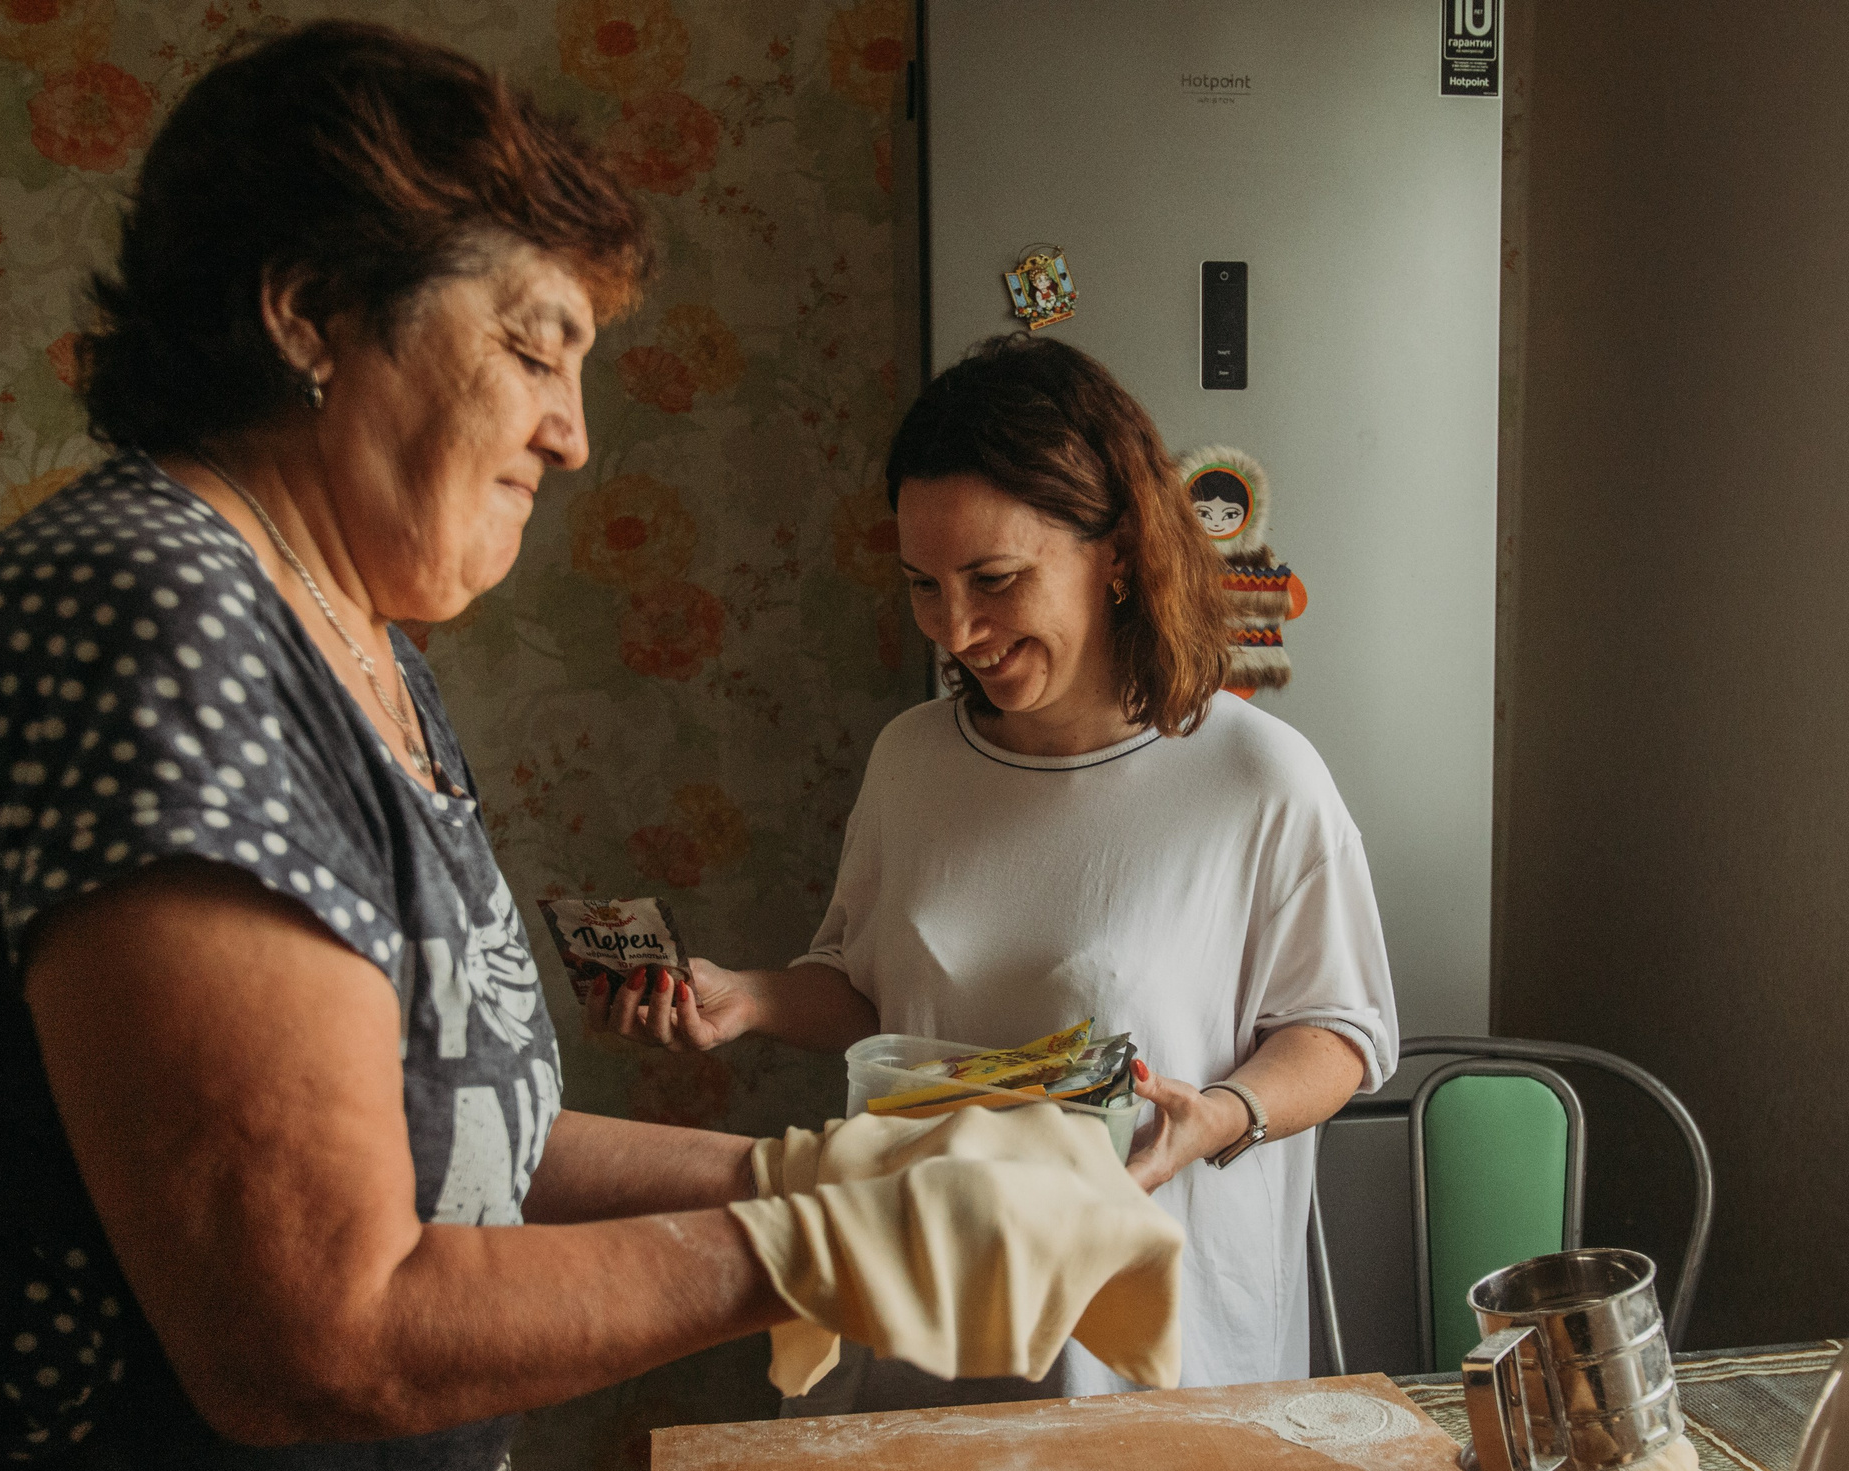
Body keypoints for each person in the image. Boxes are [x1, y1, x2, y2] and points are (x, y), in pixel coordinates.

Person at [0, 27, 1148, 1471]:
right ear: (310, 311)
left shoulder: (357, 653)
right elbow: (315, 1323)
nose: (575, 434)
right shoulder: (148, 621)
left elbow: (467, 1144)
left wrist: (796, 1169)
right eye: (538, 348)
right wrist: (824, 1243)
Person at [595, 335, 1401, 1410]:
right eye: (923, 587)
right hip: (922, 1310)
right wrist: (748, 998)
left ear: (1117, 553)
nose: (958, 629)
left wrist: (1222, 1112)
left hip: (1137, 1353)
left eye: (995, 580)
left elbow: (1340, 1032)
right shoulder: (911, 760)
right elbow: (881, 1000)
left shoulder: (1254, 778)